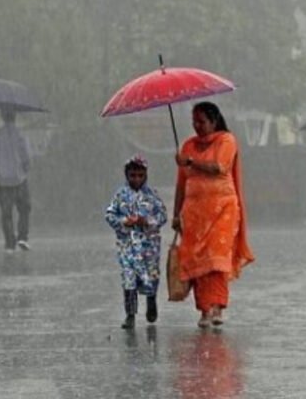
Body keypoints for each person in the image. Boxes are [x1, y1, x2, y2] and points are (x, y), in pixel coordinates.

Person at [173, 102, 255, 328]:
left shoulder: (226, 140)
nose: (197, 126)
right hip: (194, 214)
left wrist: (190, 161)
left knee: (217, 259)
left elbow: (219, 167)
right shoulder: (188, 146)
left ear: (214, 121)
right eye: (194, 122)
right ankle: (204, 310)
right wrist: (176, 214)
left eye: (201, 121)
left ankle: (217, 306)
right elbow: (181, 184)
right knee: (198, 261)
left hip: (223, 211)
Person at [105, 155, 167, 329]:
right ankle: (130, 314)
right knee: (129, 278)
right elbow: (109, 215)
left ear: (145, 175)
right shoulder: (120, 195)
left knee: (151, 276)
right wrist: (124, 222)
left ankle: (151, 301)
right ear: (127, 175)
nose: (136, 179)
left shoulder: (152, 195)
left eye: (140, 175)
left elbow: (162, 216)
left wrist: (146, 221)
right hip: (128, 245)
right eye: (133, 175)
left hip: (149, 246)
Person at [0, 109, 32, 252]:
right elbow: (27, 155)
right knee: (24, 209)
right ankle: (22, 237)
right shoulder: (20, 133)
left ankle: (9, 242)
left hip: (2, 179)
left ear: (2, 116)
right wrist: (26, 167)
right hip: (19, 177)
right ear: (15, 117)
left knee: (6, 212)